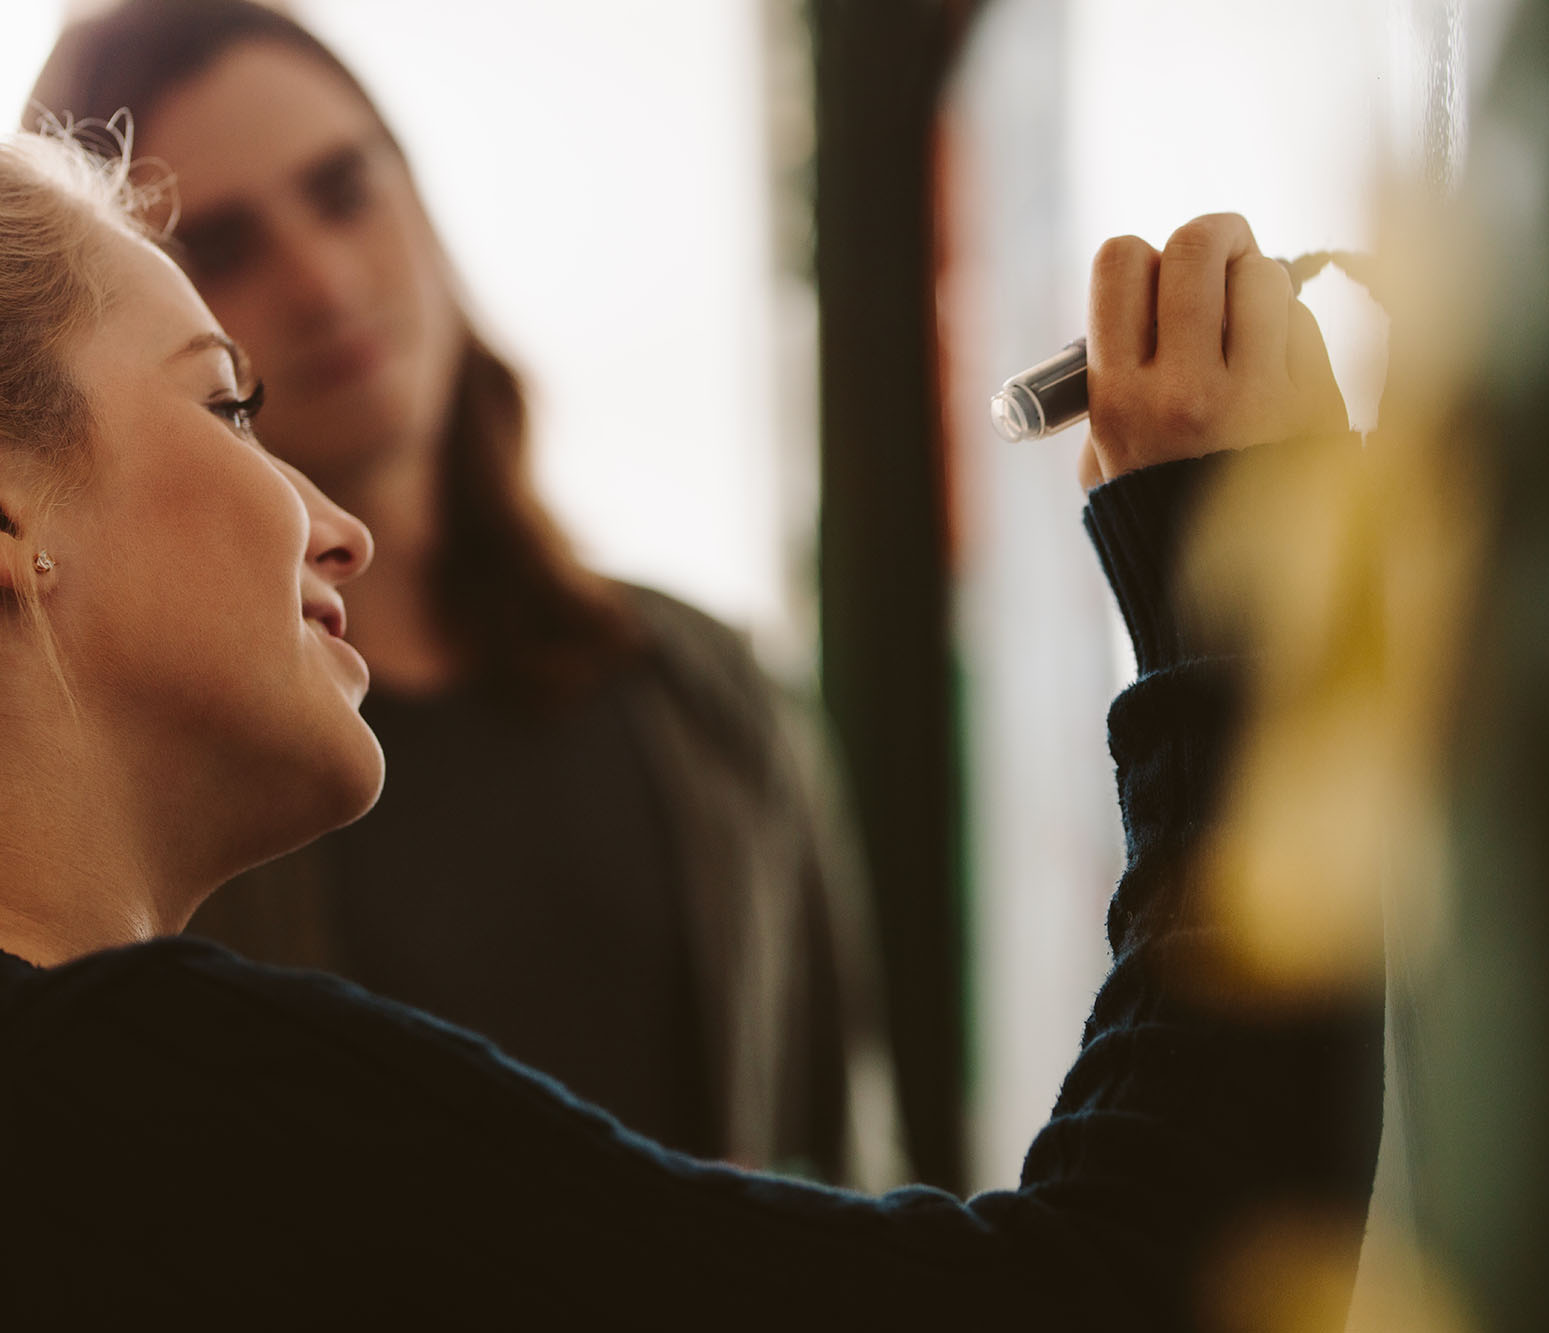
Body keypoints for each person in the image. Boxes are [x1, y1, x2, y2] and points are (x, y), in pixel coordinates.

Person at [0, 112, 1377, 1326]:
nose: (340, 532)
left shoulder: (694, 694)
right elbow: (1116, 1296)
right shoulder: (147, 1109)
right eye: (228, 410)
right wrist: (1239, 593)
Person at [26, 0, 899, 1184]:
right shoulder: (157, 792)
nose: (327, 285)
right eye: (223, 247)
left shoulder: (704, 688)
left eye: (345, 192)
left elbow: (843, 1157)